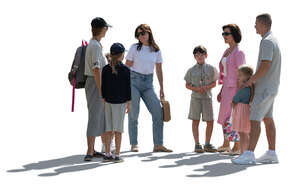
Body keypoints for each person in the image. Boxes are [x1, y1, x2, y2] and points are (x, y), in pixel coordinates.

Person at [232, 13, 281, 165]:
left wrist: (250, 81)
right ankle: (271, 153)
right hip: (271, 88)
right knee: (268, 119)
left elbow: (265, 66)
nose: (254, 26)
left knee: (255, 120)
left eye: (256, 24)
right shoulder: (273, 40)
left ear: (263, 24)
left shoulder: (266, 41)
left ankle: (249, 154)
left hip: (264, 89)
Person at [125, 24, 172, 152]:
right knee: (134, 113)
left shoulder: (156, 50)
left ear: (149, 33)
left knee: (158, 112)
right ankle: (134, 143)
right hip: (133, 81)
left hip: (148, 83)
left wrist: (162, 88)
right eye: (138, 34)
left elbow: (159, 70)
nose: (141, 36)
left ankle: (158, 144)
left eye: (143, 33)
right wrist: (124, 86)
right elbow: (126, 67)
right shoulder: (134, 48)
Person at [83, 17, 111, 161]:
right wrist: (102, 90)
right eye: (106, 28)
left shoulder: (96, 44)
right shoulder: (94, 46)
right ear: (103, 29)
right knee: (95, 116)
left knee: (99, 116)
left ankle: (95, 149)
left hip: (95, 82)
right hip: (95, 83)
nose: (107, 30)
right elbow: (96, 70)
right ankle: (90, 151)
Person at [217, 24, 246, 155]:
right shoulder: (226, 51)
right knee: (224, 116)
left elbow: (243, 74)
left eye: (226, 33)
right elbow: (225, 73)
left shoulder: (239, 53)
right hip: (226, 88)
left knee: (234, 116)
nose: (224, 36)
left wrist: (240, 94)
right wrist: (221, 90)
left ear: (234, 35)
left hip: (235, 88)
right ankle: (226, 144)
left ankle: (237, 145)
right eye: (223, 34)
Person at [184, 45, 219, 153]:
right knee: (195, 120)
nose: (199, 56)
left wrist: (206, 87)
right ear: (194, 57)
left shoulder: (212, 68)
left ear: (206, 55)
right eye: (197, 55)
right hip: (195, 98)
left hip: (207, 98)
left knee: (210, 120)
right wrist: (196, 89)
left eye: (201, 54)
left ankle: (207, 144)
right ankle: (197, 144)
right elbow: (187, 85)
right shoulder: (191, 70)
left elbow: (214, 83)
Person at [101, 43, 131, 163]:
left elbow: (103, 88)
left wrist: (104, 99)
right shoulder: (126, 70)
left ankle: (107, 153)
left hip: (108, 102)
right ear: (122, 55)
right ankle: (117, 155)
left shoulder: (105, 69)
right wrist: (129, 103)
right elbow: (128, 89)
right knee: (118, 130)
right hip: (120, 103)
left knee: (109, 129)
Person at [231, 65, 254, 154]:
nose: (238, 78)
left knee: (242, 133)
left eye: (240, 76)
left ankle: (242, 152)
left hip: (241, 112)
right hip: (246, 111)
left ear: (247, 77)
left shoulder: (243, 89)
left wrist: (232, 103)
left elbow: (235, 99)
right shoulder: (250, 89)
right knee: (245, 133)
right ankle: (245, 151)